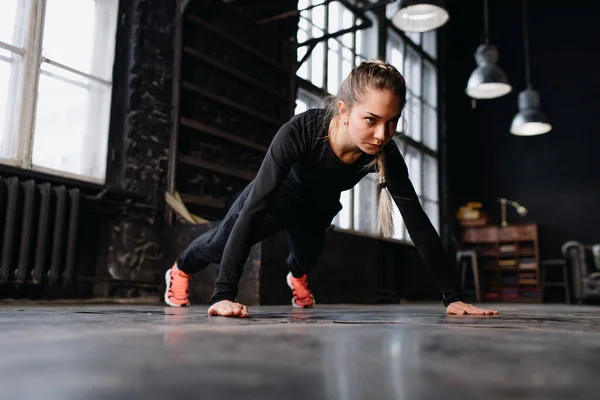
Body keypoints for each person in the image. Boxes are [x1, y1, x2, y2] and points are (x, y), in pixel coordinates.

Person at [165, 59, 499, 318]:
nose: (383, 134)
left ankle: (296, 278)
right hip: (276, 199)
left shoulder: (386, 153)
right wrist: (223, 295)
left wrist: (451, 298)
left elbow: (419, 224)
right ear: (343, 111)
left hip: (318, 209)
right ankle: (180, 267)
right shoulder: (301, 131)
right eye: (371, 119)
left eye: (392, 121)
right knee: (219, 243)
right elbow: (254, 208)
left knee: (306, 258)